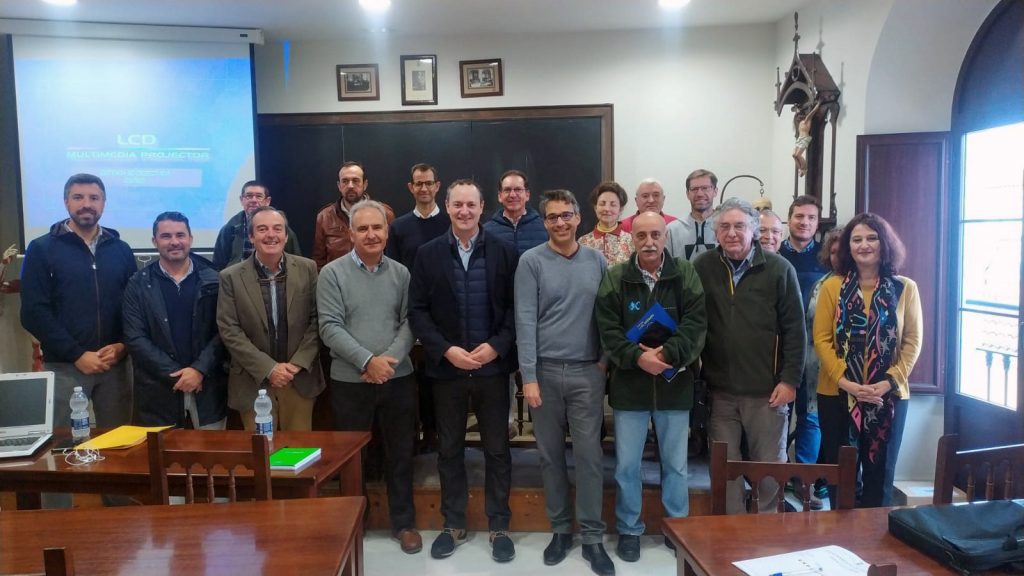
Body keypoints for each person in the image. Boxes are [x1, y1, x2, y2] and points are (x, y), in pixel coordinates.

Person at [408, 179, 519, 563]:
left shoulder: (505, 252)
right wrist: (446, 350)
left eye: (471, 205)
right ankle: (453, 523)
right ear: (448, 205)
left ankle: (499, 525)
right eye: (457, 205)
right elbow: (418, 312)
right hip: (448, 371)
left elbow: (513, 312)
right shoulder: (427, 254)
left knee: (497, 452)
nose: (464, 211)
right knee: (449, 451)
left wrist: (496, 346)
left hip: (491, 370)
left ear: (482, 206)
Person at [596, 211, 706, 562]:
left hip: (675, 385)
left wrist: (667, 354)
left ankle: (678, 527)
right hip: (630, 387)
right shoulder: (616, 278)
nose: (648, 242)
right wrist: (636, 358)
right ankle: (629, 528)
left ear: (664, 237)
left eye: (655, 234)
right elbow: (607, 329)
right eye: (641, 235)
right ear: (632, 238)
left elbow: (696, 323)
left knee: (675, 465)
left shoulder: (685, 274)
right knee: (627, 465)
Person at [515, 190, 613, 575]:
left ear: (578, 218)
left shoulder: (597, 260)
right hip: (545, 373)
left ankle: (591, 537)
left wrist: (604, 362)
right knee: (550, 456)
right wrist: (529, 376)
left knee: (590, 457)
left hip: (588, 372)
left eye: (566, 215)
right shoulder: (531, 262)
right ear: (544, 223)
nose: (560, 222)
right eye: (552, 217)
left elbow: (608, 316)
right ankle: (560, 530)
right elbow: (524, 320)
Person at [318, 200, 420, 554]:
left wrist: (387, 361)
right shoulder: (331, 274)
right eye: (362, 229)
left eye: (377, 228)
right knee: (351, 459)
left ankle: (404, 523)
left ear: (387, 232)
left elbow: (410, 322)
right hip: (350, 381)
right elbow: (329, 327)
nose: (371, 234)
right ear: (350, 233)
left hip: (398, 378)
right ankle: (352, 523)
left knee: (401, 453)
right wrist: (367, 361)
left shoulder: (402, 274)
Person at [693, 197, 805, 514]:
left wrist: (789, 381)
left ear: (753, 230)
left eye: (739, 226)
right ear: (715, 232)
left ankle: (765, 530)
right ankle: (732, 530)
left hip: (768, 392)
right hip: (721, 391)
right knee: (724, 469)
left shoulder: (779, 269)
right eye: (725, 226)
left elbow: (796, 330)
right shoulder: (702, 267)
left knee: (769, 468)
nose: (732, 233)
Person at [813, 213, 921, 508]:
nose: (864, 245)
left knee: (880, 476)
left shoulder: (905, 288)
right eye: (856, 239)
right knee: (842, 477)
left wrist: (888, 382)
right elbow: (821, 339)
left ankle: (875, 545)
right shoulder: (832, 287)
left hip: (888, 395)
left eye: (871, 238)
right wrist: (846, 382)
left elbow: (912, 342)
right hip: (836, 393)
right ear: (848, 246)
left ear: (884, 243)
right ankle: (841, 544)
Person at [21, 173, 136, 430]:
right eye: (78, 197)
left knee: (119, 446)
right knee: (64, 447)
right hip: (65, 366)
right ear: (66, 202)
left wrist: (123, 346)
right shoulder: (41, 249)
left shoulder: (121, 249)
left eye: (94, 198)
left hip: (114, 366)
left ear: (104, 203)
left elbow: (134, 307)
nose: (87, 204)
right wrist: (77, 354)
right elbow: (33, 312)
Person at [216, 207, 325, 432]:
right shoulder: (231, 277)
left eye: (277, 229)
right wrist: (269, 368)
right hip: (252, 381)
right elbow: (229, 329)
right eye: (262, 229)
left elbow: (317, 320)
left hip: (299, 379)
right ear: (251, 236)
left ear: (286, 236)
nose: (271, 235)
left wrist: (295, 365)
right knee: (263, 456)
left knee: (300, 454)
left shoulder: (308, 268)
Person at [122, 212, 227, 429]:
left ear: (190, 238)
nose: (174, 242)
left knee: (210, 458)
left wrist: (199, 370)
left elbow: (225, 331)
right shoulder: (138, 284)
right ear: (154, 241)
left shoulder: (215, 279)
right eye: (166, 236)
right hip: (159, 393)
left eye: (180, 235)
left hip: (207, 389)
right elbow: (135, 337)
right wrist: (178, 376)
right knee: (162, 459)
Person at [778, 196, 830, 489]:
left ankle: (804, 477)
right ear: (789, 219)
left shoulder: (825, 258)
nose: (805, 222)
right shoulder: (774, 251)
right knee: (779, 411)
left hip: (815, 346)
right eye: (799, 216)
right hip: (781, 345)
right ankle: (779, 471)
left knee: (811, 414)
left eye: (811, 217)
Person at [313, 161, 395, 270]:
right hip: (338, 282)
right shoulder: (325, 217)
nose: (350, 186)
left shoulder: (384, 213)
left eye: (355, 181)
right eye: (345, 181)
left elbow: (394, 255)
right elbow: (319, 261)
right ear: (339, 186)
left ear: (365, 184)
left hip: (376, 279)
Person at [213, 180, 302, 270]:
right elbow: (218, 266)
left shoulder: (281, 229)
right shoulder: (229, 229)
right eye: (249, 196)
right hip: (239, 280)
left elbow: (296, 262)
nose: (253, 200)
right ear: (241, 200)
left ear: (267, 201)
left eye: (259, 196)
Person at [386, 163, 451, 270]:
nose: (424, 189)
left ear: (437, 186)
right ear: (411, 187)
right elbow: (393, 270)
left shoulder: (451, 224)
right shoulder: (397, 227)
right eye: (419, 184)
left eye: (429, 183)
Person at [483, 169, 547, 255]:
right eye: (507, 190)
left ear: (527, 195)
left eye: (518, 189)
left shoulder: (545, 228)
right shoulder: (485, 232)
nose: (512, 195)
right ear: (500, 196)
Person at [665, 169, 718, 261]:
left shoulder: (725, 227)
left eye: (705, 188)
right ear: (687, 194)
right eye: (694, 189)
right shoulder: (672, 230)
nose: (700, 194)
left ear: (715, 191)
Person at [578, 181, 634, 266]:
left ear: (620, 209)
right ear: (595, 207)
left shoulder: (631, 241)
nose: (607, 209)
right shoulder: (583, 242)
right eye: (602, 204)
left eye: (613, 204)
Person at [792, 101, 821, 177]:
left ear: (803, 116)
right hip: (800, 138)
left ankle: (804, 169)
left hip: (805, 138)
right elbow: (797, 112)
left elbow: (813, 112)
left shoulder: (807, 120)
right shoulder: (800, 123)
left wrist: (818, 104)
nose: (797, 117)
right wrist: (797, 109)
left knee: (798, 155)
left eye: (799, 116)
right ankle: (800, 169)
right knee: (794, 155)